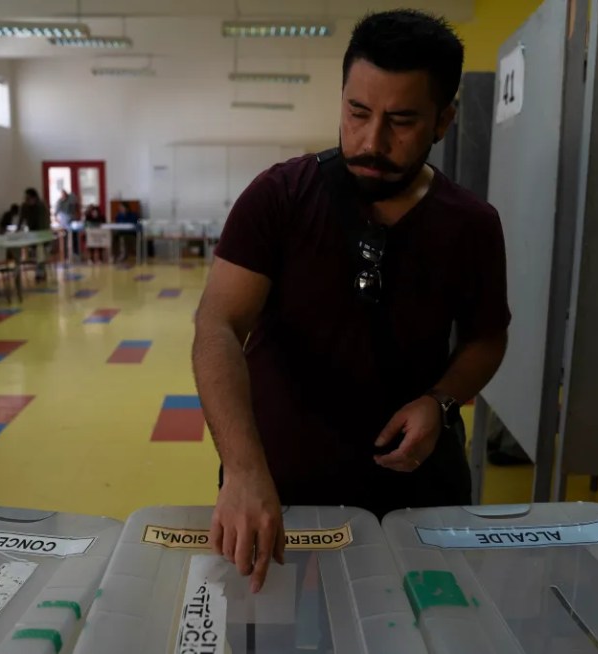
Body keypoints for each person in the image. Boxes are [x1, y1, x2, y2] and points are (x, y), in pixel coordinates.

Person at [192, 9, 510, 592]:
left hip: (417, 497)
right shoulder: (279, 197)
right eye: (357, 112)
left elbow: (487, 336)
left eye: (402, 121)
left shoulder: (472, 225)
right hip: (277, 492)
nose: (371, 141)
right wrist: (240, 469)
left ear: (444, 120)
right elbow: (218, 324)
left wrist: (442, 401)